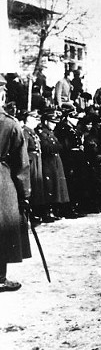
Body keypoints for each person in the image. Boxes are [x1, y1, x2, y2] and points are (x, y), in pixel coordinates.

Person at [0, 86, 32, 292]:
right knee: (2, 228)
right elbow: (21, 164)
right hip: (2, 182)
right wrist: (25, 194)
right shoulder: (10, 124)